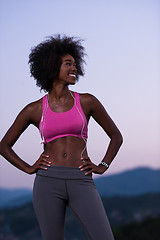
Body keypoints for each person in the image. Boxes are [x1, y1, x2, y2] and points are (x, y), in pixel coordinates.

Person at [0, 35, 123, 240]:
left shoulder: (87, 101)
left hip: (81, 179)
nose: (74, 68)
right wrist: (29, 168)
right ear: (51, 66)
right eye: (68, 64)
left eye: (75, 64)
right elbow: (4, 145)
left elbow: (116, 136)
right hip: (47, 181)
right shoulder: (35, 109)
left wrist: (103, 164)